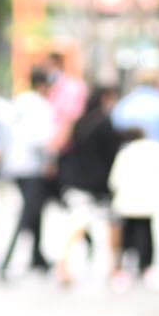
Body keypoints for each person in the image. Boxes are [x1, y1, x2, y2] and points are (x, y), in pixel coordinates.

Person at [55, 85, 123, 285]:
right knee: (112, 225)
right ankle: (115, 269)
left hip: (77, 182)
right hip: (98, 185)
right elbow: (112, 154)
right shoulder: (104, 123)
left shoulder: (80, 122)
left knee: (76, 224)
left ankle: (63, 266)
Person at [0, 65, 57, 279]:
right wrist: (50, 159)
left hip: (14, 166)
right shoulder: (42, 106)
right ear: (43, 85)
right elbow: (41, 139)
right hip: (32, 167)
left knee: (35, 210)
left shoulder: (19, 101)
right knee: (27, 214)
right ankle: (5, 261)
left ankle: (37, 257)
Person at [107, 128, 159, 285]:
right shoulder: (156, 149)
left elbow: (114, 180)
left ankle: (128, 264)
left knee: (129, 233)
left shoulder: (125, 153)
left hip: (127, 201)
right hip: (148, 201)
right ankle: (146, 265)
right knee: (146, 232)